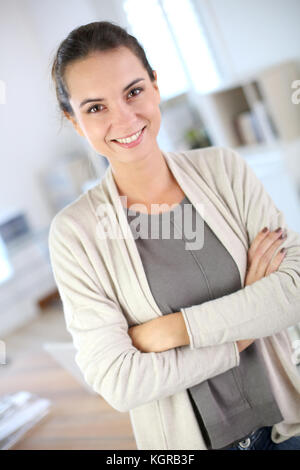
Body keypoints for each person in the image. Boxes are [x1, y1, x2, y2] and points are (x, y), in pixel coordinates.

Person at [49, 21, 300, 450]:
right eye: (95, 108)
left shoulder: (224, 169)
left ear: (155, 86)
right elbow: (119, 381)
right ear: (74, 122)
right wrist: (244, 327)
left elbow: (293, 291)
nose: (125, 118)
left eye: (133, 91)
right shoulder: (75, 236)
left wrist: (173, 331)